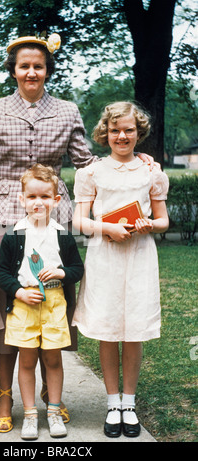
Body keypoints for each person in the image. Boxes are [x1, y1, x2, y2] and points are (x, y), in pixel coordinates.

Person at [0, 33, 155, 433]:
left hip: (54, 215)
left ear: (47, 70)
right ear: (14, 70)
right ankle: (6, 393)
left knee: (53, 306)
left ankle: (50, 397)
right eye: (23, 66)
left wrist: (128, 155)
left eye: (38, 66)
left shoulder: (67, 110)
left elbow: (87, 161)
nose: (31, 72)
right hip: (7, 212)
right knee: (10, 314)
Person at [72, 102, 169, 438]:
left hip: (139, 256)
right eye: (115, 130)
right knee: (108, 328)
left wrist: (149, 225)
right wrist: (106, 228)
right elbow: (78, 220)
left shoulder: (151, 172)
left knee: (133, 329)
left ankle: (129, 402)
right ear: (105, 133)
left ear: (138, 132)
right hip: (105, 256)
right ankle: (112, 403)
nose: (122, 136)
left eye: (128, 130)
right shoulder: (91, 172)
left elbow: (163, 219)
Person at [0, 164, 84, 440]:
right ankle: (30, 414)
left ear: (56, 201)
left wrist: (61, 273)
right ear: (22, 199)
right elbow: (2, 273)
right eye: (32, 197)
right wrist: (19, 292)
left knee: (53, 359)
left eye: (45, 197)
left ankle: (54, 411)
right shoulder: (14, 234)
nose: (38, 203)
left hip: (54, 303)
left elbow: (77, 269)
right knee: (26, 360)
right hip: (24, 304)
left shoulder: (62, 233)